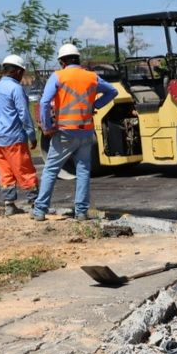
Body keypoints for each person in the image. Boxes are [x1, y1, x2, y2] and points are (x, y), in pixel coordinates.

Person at [31, 44, 117, 221]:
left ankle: (40, 210)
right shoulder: (91, 77)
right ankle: (81, 211)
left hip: (64, 132)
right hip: (86, 132)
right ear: (78, 59)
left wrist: (47, 127)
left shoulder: (58, 76)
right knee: (83, 170)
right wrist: (96, 105)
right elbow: (112, 91)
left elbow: (45, 102)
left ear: (62, 62)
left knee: (51, 170)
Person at [0, 55, 39, 216]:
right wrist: (31, 135)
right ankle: (35, 204)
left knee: (5, 172)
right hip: (13, 137)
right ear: (17, 71)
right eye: (22, 72)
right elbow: (23, 114)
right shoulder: (15, 89)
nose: (22, 76)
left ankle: (9, 204)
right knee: (25, 170)